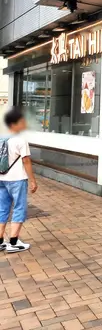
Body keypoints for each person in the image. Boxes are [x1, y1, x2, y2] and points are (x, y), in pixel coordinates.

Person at [0, 107, 37, 253]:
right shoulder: (21, 140)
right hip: (17, 179)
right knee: (19, 208)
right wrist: (32, 180)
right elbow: (26, 161)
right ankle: (13, 242)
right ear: (14, 124)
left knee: (2, 208)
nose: (24, 124)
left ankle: (0, 241)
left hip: (1, 178)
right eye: (22, 122)